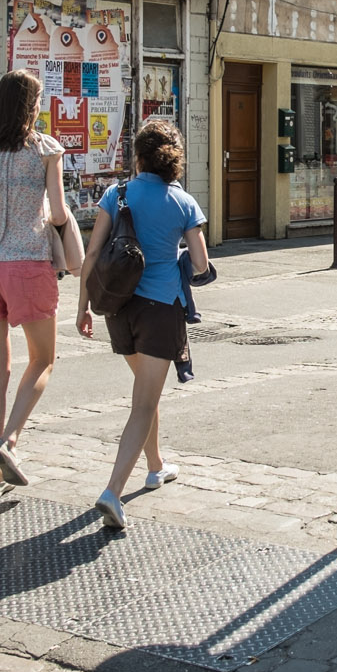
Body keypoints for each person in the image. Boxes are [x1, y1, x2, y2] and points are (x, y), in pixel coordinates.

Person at [78, 120, 209, 530]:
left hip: (118, 309)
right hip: (159, 309)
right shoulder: (183, 202)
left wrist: (81, 309)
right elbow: (202, 265)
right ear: (173, 158)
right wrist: (178, 259)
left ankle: (156, 466)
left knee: (145, 394)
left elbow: (92, 253)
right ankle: (112, 492)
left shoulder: (116, 195)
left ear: (138, 156)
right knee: (143, 405)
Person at [0, 70, 77, 502]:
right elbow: (59, 213)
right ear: (30, 105)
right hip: (27, 264)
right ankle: (8, 441)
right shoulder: (45, 149)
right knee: (43, 360)